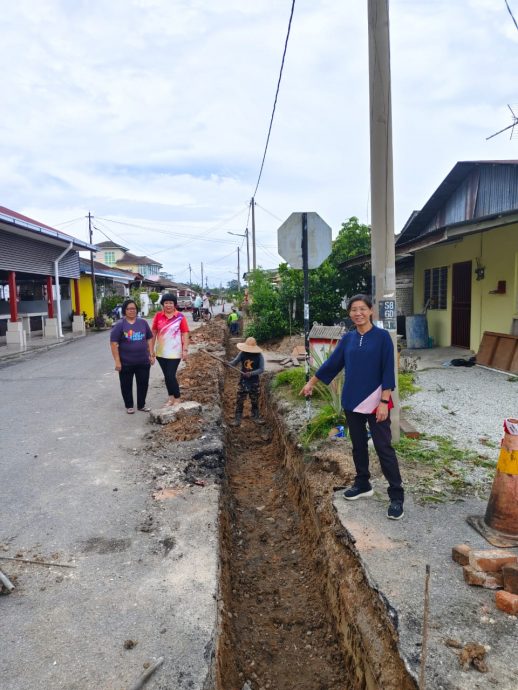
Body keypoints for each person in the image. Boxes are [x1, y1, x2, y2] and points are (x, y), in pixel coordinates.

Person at [300, 294, 404, 520]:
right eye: (354, 310)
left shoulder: (382, 337)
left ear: (371, 311)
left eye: (362, 309)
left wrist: (385, 401)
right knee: (358, 445)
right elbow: (332, 364)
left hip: (377, 402)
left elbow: (388, 370)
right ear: (350, 314)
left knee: (384, 447)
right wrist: (311, 383)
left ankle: (396, 496)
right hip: (352, 401)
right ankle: (363, 483)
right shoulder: (347, 339)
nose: (358, 313)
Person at [110, 298, 155, 414]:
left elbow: (149, 338)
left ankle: (141, 405)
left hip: (143, 361)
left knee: (143, 384)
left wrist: (151, 354)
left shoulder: (143, 323)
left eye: (134, 308)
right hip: (126, 363)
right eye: (129, 309)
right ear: (124, 310)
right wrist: (117, 361)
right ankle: (129, 405)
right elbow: (114, 343)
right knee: (126, 385)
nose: (132, 311)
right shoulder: (120, 325)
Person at [151, 293, 190, 407]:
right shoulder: (158, 316)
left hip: (175, 352)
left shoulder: (180, 317)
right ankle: (170, 398)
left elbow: (185, 333)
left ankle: (177, 398)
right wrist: (151, 349)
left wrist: (185, 349)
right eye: (166, 303)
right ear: (163, 304)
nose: (168, 305)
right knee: (167, 376)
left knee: (170, 375)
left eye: (171, 303)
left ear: (174, 304)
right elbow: (153, 333)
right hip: (161, 352)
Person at [228, 337, 265, 426]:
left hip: (254, 382)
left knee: (254, 400)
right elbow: (235, 362)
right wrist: (228, 363)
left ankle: (255, 417)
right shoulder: (242, 353)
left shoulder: (259, 356)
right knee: (240, 400)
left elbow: (261, 369)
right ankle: (237, 420)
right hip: (243, 381)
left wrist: (251, 373)